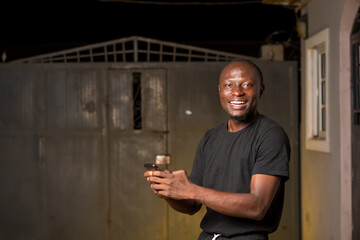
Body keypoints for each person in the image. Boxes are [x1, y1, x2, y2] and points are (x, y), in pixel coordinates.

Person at [144, 59, 290, 240]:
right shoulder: (210, 138)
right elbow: (192, 205)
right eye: (229, 85)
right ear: (220, 90)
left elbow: (257, 206)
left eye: (247, 85)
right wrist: (170, 192)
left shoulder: (270, 135)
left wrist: (190, 190)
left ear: (260, 90)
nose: (237, 92)